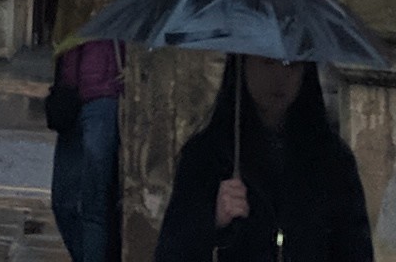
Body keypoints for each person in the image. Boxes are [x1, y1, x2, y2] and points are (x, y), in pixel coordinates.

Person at [153, 57, 375, 262]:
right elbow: (172, 252)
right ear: (243, 64)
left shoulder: (332, 159)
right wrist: (212, 221)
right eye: (268, 63)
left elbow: (355, 248)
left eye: (292, 65)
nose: (280, 76)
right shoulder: (207, 156)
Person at [45, 0, 124, 262]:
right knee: (62, 202)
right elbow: (60, 49)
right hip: (71, 101)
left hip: (103, 99)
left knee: (94, 203)